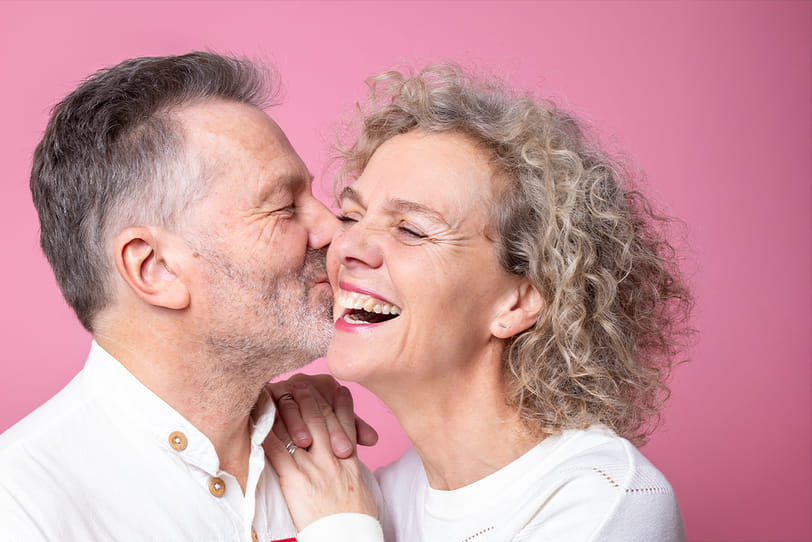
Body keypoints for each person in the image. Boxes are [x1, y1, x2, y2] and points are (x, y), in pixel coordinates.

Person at [268, 64, 694, 541]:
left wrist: (341, 529)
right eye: (351, 215)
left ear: (519, 301)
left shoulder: (605, 500)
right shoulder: (365, 494)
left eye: (411, 229)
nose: (344, 247)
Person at [0, 52, 383, 541]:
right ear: (156, 269)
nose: (335, 230)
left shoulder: (330, 469)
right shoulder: (23, 510)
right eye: (285, 207)